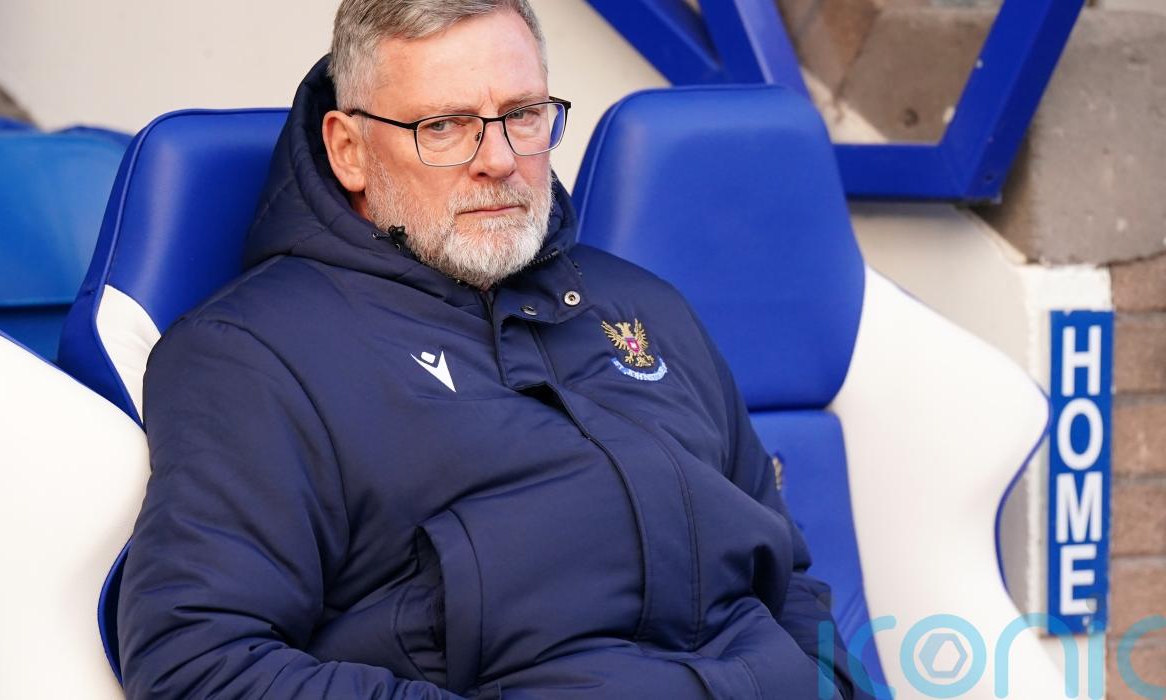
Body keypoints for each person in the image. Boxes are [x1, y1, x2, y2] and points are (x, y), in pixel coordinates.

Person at [117, 1, 856, 698]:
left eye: (523, 115)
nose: (498, 159)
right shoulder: (252, 358)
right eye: (444, 126)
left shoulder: (643, 304)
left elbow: (789, 581)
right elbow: (197, 662)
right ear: (349, 150)